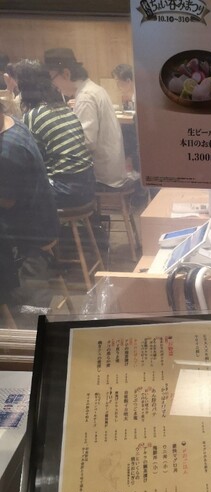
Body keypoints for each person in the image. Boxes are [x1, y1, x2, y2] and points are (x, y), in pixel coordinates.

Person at [0, 99, 60, 312]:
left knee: (30, 305)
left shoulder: (7, 150)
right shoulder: (12, 123)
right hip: (43, 219)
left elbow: (7, 201)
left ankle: (13, 312)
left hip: (30, 233)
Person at [44, 47, 128, 190]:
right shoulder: (93, 89)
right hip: (112, 170)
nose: (54, 85)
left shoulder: (85, 97)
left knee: (55, 181)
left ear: (66, 74)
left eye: (52, 78)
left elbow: (87, 143)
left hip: (103, 177)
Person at [15, 59, 95, 208]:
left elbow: (30, 159)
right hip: (88, 186)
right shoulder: (64, 108)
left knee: (14, 194)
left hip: (65, 191)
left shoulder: (33, 116)